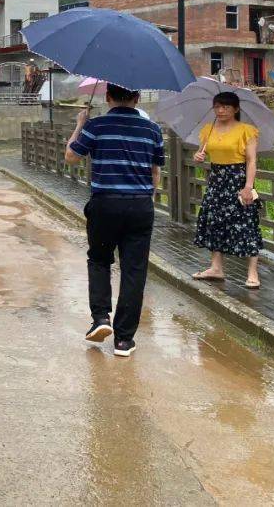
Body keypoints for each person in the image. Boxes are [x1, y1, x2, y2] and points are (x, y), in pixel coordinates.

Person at [64, 84, 163, 358]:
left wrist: (80, 124)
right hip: (140, 206)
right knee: (134, 270)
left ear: (107, 97)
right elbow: (156, 171)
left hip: (105, 203)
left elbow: (71, 156)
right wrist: (148, 200)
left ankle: (100, 319)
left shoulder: (96, 126)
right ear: (138, 97)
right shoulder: (152, 130)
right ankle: (124, 340)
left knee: (99, 260)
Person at [191, 91, 263, 288]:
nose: (221, 111)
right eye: (217, 107)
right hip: (216, 180)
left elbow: (251, 160)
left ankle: (252, 272)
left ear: (236, 109)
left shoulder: (246, 130)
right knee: (214, 221)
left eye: (226, 107)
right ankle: (216, 267)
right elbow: (202, 154)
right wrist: (198, 157)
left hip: (238, 179)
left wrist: (248, 187)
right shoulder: (208, 129)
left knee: (246, 223)